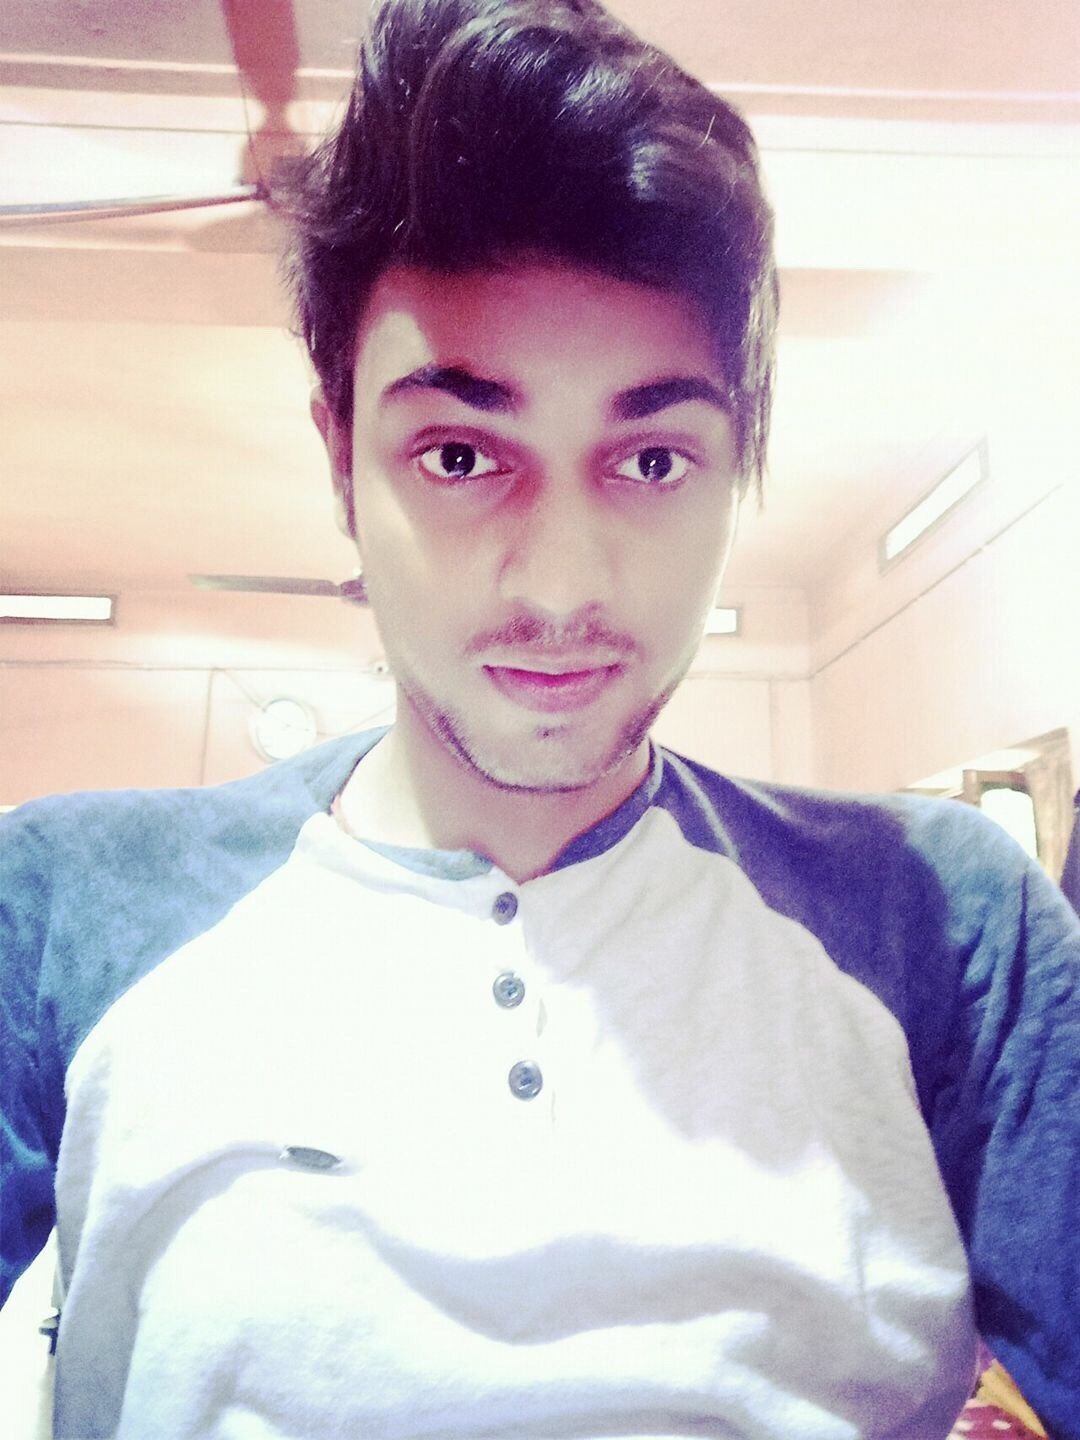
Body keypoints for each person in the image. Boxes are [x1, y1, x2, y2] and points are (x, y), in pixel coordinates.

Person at [1, 0, 1078, 1436]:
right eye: (461, 454)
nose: (562, 586)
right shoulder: (64, 904)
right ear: (341, 456)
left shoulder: (949, 920)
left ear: (739, 464)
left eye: (651, 460)